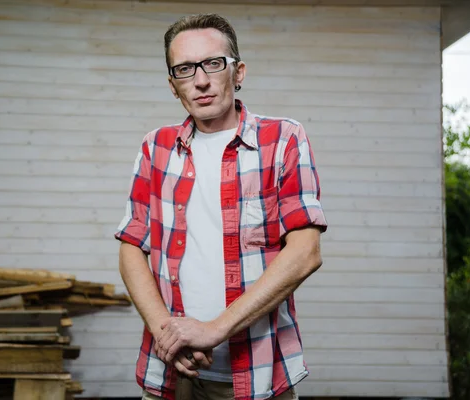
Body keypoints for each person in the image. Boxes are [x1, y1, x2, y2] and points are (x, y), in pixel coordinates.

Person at [115, 13, 328, 400]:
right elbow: (132, 246)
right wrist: (167, 333)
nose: (200, 80)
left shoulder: (282, 140)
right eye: (184, 69)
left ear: (239, 72)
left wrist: (215, 329)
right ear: (172, 84)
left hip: (260, 375)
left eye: (213, 64)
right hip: (169, 372)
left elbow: (306, 253)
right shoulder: (155, 146)